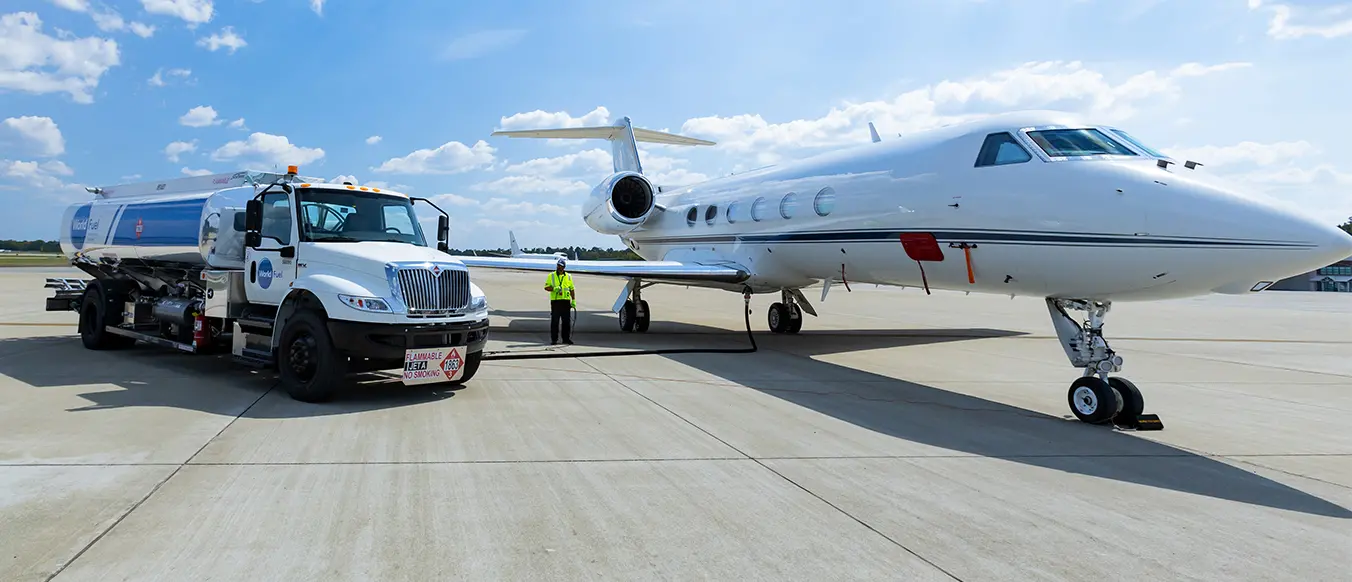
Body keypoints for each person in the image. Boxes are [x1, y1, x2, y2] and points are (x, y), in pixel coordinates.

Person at [544, 258, 575, 344]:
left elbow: (571, 289)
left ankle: (566, 339)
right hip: (556, 302)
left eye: (560, 266)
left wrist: (573, 300)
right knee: (555, 321)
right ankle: (554, 339)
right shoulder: (551, 275)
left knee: (566, 322)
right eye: (558, 265)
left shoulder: (568, 276)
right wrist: (554, 289)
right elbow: (546, 287)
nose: (559, 267)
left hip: (566, 301)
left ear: (564, 267)